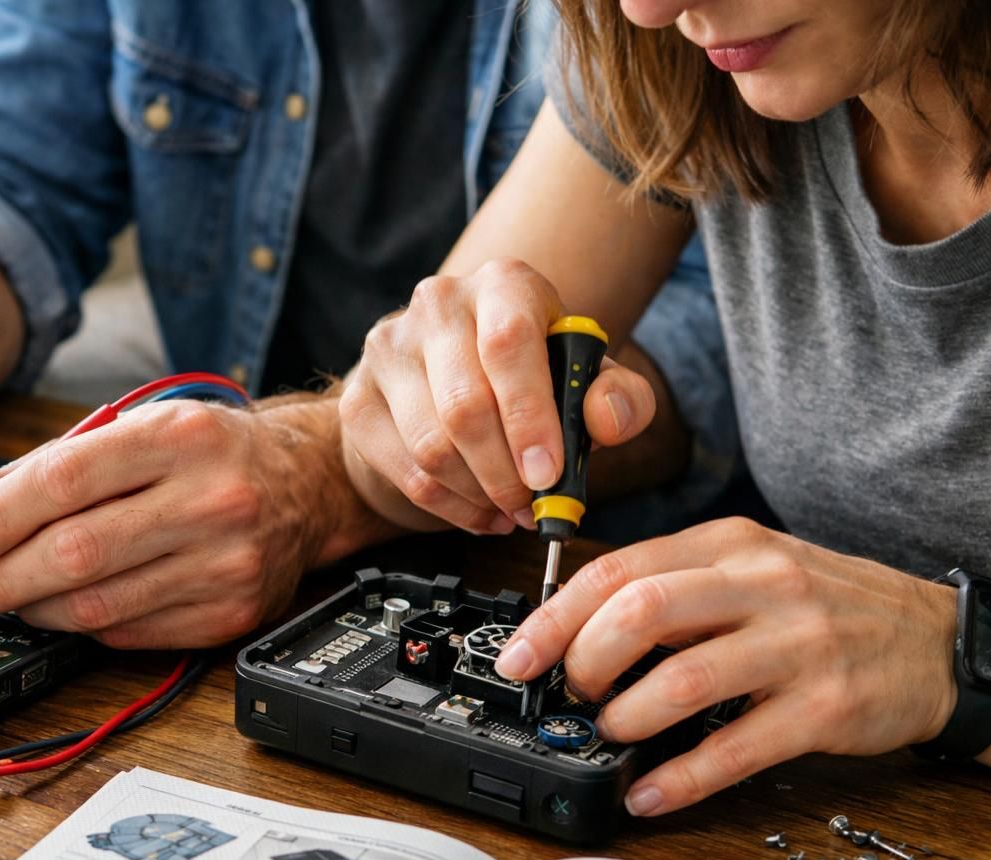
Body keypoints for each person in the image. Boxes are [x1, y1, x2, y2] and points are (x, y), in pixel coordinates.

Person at [0, 1, 731, 649]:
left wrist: (319, 474)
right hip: (218, 548)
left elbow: (722, 337)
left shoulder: (658, 34)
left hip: (577, 568)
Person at [340, 0, 991, 816]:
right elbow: (419, 432)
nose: (650, 10)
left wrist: (953, 660)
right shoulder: (682, 62)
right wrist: (400, 420)